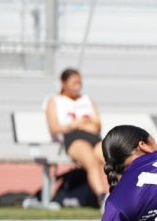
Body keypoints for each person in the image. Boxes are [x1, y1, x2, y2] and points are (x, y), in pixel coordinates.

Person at [43, 68, 108, 202]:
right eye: (74, 83)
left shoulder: (86, 99)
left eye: (80, 82)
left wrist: (79, 124)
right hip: (73, 139)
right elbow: (55, 128)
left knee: (112, 159)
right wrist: (76, 124)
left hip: (94, 138)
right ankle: (103, 198)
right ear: (63, 83)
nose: (78, 86)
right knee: (91, 161)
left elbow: (96, 126)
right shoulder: (54, 101)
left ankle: (122, 197)